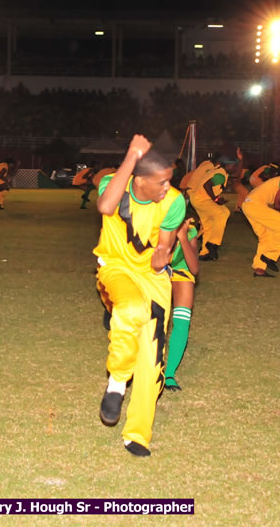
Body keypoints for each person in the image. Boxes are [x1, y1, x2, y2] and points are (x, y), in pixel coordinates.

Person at [95, 135, 186, 457]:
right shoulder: (113, 184)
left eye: (169, 181)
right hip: (116, 268)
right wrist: (132, 155)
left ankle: (137, 434)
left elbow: (164, 244)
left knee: (151, 359)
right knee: (132, 309)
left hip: (153, 277)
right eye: (160, 182)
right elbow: (105, 206)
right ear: (139, 179)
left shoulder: (174, 202)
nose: (167, 188)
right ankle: (118, 382)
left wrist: (163, 254)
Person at [242, 168, 280, 277]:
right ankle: (269, 256)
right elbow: (277, 205)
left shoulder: (279, 182)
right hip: (255, 205)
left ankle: (259, 268)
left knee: (265, 237)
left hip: (248, 205)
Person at [187, 147, 242, 261]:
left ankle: (205, 253)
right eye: (233, 165)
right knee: (223, 213)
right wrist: (216, 199)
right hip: (202, 200)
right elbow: (206, 185)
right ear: (226, 166)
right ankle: (213, 244)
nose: (235, 168)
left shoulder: (220, 171)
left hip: (199, 199)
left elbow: (236, 174)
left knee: (209, 225)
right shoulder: (220, 175)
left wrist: (240, 160)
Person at [164, 218, 199, 392]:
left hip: (181, 271)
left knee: (182, 320)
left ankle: (169, 373)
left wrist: (183, 237)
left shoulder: (189, 230)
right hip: (153, 269)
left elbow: (194, 268)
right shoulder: (151, 221)